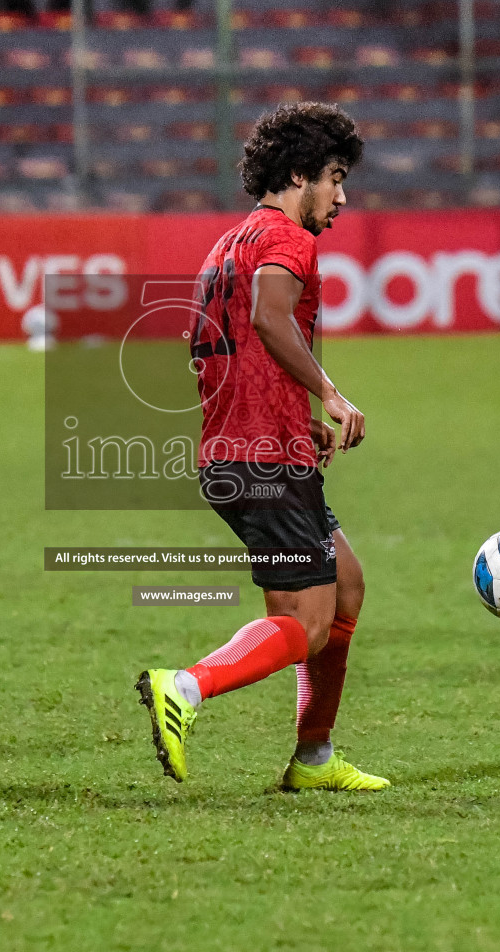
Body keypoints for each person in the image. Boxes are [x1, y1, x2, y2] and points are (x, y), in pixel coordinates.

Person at [136, 102, 387, 792]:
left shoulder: (226, 244)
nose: (341, 196)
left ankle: (314, 757)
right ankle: (185, 687)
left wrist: (289, 412)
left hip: (240, 449)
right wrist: (330, 396)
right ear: (299, 172)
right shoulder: (289, 241)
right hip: (264, 460)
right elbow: (270, 318)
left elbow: (214, 350)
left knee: (346, 586)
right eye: (334, 178)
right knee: (304, 623)